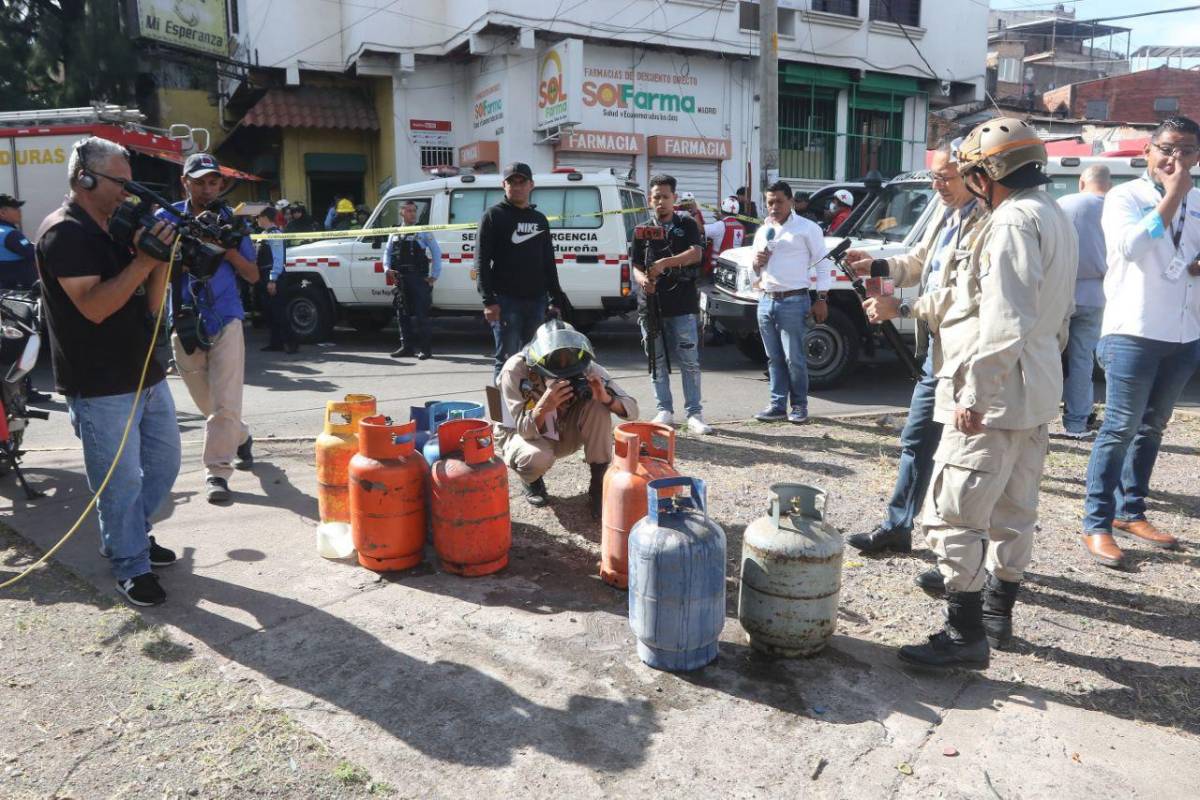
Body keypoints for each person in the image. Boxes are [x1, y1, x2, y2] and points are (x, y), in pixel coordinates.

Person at [866, 118, 1076, 669]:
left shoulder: (1010, 223)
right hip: (1033, 392)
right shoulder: (1052, 214)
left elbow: (1004, 320)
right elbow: (987, 303)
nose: (967, 179)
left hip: (996, 393)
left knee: (954, 512)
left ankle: (965, 636)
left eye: (973, 170)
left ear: (991, 173)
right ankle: (996, 614)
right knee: (1014, 508)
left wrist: (975, 396)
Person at [35, 135, 180, 606]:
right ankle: (130, 565)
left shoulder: (117, 228)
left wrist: (161, 260)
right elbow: (95, 307)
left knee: (164, 465)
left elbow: (151, 306)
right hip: (99, 384)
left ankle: (129, 535)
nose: (130, 191)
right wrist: (143, 261)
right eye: (121, 181)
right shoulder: (63, 233)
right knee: (120, 482)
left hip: (145, 372)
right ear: (85, 179)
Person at [844, 136, 987, 555]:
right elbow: (921, 261)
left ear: (970, 174)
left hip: (970, 358)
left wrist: (900, 307)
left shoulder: (987, 222)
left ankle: (963, 551)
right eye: (933, 177)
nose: (937, 185)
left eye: (944, 177)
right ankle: (898, 525)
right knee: (916, 440)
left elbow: (961, 297)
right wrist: (876, 264)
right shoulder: (947, 215)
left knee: (963, 456)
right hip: (938, 355)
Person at [1080, 116, 1200, 569]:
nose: (1176, 159)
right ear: (1148, 151)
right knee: (1119, 429)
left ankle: (1132, 512)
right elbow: (1132, 248)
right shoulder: (1123, 197)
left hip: (1185, 331)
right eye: (1167, 149)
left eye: (1186, 151)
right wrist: (1173, 195)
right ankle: (1098, 523)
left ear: (1198, 156)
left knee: (1153, 428)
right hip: (1133, 330)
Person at [164, 152, 260, 505]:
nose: (207, 188)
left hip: (226, 316)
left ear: (220, 184)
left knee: (225, 400)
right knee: (207, 401)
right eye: (199, 181)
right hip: (184, 319)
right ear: (184, 182)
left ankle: (217, 472)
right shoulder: (167, 216)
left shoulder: (231, 222)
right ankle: (240, 435)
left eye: (213, 182)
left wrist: (226, 249)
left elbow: (253, 274)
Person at [496, 320, 637, 517]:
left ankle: (598, 487)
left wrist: (605, 397)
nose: (563, 372)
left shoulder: (587, 367)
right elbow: (522, 428)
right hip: (524, 435)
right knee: (536, 458)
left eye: (568, 366)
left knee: (599, 406)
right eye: (555, 370)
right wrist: (544, 407)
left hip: (563, 431)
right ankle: (532, 480)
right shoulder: (515, 371)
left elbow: (632, 409)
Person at [633, 174, 712, 435]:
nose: (661, 202)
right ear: (649, 199)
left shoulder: (687, 223)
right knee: (656, 360)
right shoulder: (641, 228)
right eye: (656, 197)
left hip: (682, 305)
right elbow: (634, 265)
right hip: (651, 306)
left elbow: (697, 253)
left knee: (689, 361)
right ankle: (664, 410)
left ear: (674, 198)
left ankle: (695, 413)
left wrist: (665, 263)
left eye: (665, 196)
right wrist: (644, 279)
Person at [750, 180, 832, 425]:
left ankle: (799, 406)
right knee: (773, 358)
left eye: (779, 202)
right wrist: (757, 263)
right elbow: (753, 269)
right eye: (769, 202)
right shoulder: (764, 230)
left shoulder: (807, 228)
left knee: (793, 358)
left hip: (794, 300)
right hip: (766, 300)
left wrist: (822, 298)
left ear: (791, 201)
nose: (773, 207)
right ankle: (776, 406)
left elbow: (823, 263)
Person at [476, 162, 567, 380]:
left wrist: (556, 298)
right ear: (503, 185)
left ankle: (530, 411)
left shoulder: (539, 219)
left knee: (534, 359)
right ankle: (503, 414)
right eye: (511, 182)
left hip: (537, 302)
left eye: (521, 182)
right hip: (505, 302)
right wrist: (488, 301)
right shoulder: (493, 216)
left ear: (531, 185)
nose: (516, 187)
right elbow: (481, 261)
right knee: (506, 360)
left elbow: (548, 262)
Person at [1057, 164, 1112, 440]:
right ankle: (1076, 423)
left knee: (1045, 356)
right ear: (1108, 185)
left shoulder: (1063, 204)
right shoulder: (1116, 208)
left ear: (1081, 182)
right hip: (1096, 294)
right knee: (1082, 361)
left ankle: (1035, 420)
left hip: (1058, 292)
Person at [385, 200, 441, 360]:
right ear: (402, 212)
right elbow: (387, 252)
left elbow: (436, 253)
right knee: (402, 313)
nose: (413, 214)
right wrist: (386, 268)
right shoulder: (395, 232)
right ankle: (406, 347)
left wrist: (434, 276)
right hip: (401, 279)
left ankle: (425, 349)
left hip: (418, 279)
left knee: (421, 314)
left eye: (414, 210)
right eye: (409, 210)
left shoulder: (423, 231)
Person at [254, 208, 298, 355]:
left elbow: (278, 259)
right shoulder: (262, 235)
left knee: (279, 312)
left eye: (258, 217)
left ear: (265, 217)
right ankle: (276, 343)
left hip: (273, 276)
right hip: (263, 275)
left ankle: (291, 343)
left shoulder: (275, 235)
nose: (256, 220)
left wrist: (272, 279)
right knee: (269, 312)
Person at [0, 193, 37, 290]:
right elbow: (34, 253)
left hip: (5, 291)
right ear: (2, 212)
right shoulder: (11, 234)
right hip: (20, 293)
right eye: (16, 209)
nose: (20, 212)